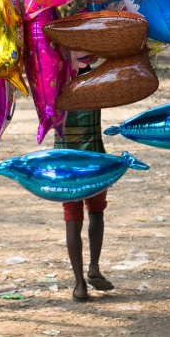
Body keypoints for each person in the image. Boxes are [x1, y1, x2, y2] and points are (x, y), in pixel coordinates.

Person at [55, 106, 114, 302]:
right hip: (94, 160)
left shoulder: (53, 88)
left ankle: (79, 286)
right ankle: (94, 267)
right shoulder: (93, 85)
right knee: (96, 212)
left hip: (64, 164)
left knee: (72, 220)